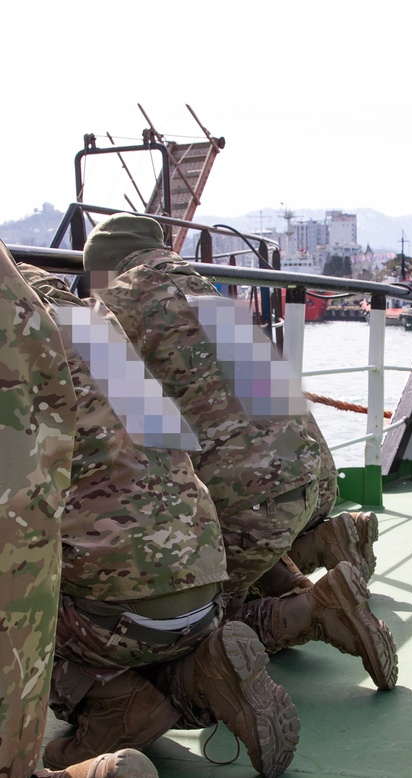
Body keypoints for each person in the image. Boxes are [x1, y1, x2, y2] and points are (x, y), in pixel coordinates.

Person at [83, 214, 397, 691]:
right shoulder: (208, 291)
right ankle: (319, 546)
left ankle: (313, 612)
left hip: (255, 505)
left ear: (101, 271)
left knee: (181, 628)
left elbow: (132, 434)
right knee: (237, 507)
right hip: (316, 478)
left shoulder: (113, 309)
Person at [19, 264, 299, 778]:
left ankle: (113, 702)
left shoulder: (16, 349)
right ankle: (201, 673)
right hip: (209, 587)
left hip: (116, 617)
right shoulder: (97, 329)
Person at [0, 243, 158, 778]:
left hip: (117, 610)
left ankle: (123, 694)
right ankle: (269, 618)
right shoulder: (90, 320)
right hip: (219, 576)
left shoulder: (129, 296)